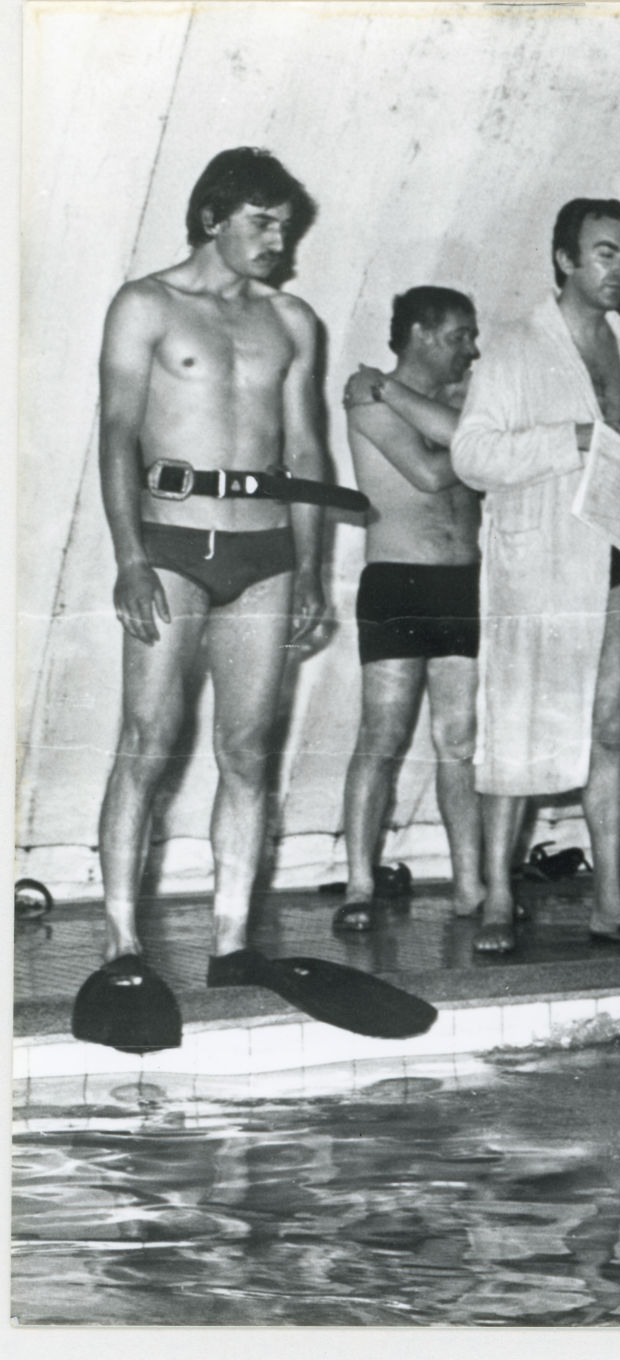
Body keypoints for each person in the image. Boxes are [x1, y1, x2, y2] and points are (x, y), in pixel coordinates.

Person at [95, 147, 335, 972]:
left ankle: (232, 940)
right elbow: (117, 434)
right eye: (262, 222)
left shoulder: (292, 321)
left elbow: (306, 452)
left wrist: (312, 568)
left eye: (286, 227)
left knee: (247, 748)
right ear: (211, 218)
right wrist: (130, 558)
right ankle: (122, 936)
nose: (278, 240)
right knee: (147, 739)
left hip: (264, 553)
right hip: (169, 544)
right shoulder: (146, 305)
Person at [450, 198, 620, 954]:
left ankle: (611, 902)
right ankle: (497, 897)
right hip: (540, 570)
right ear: (565, 259)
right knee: (516, 731)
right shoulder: (515, 346)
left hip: (616, 560)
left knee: (610, 730)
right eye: (606, 253)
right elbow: (472, 456)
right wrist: (574, 436)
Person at [333, 286, 485, 932]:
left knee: (460, 742)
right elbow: (428, 472)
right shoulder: (368, 397)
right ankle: (359, 884)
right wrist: (480, 439)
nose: (470, 350)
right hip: (398, 581)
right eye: (458, 336)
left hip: (462, 584)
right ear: (420, 334)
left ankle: (471, 886)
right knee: (383, 736)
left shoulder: (451, 401)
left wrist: (477, 433)